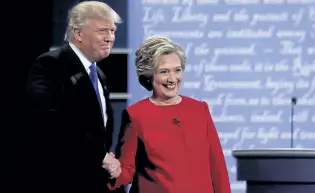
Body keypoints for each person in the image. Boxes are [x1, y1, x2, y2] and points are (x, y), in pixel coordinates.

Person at [105, 35, 231, 193]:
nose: (172, 79)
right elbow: (126, 170)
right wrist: (115, 171)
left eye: (177, 70)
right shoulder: (135, 115)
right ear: (149, 76)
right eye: (164, 72)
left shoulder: (199, 109)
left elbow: (218, 168)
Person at [26, 1, 125, 192]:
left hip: (96, 181)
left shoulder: (99, 74)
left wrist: (105, 157)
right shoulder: (51, 64)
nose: (110, 38)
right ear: (78, 33)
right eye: (103, 31)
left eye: (112, 31)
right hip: (64, 180)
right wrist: (100, 155)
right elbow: (49, 121)